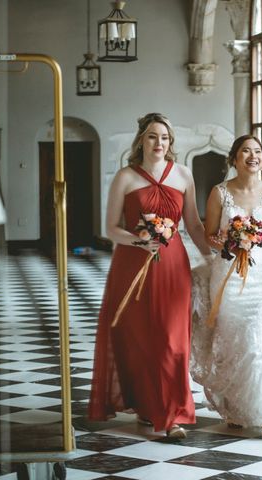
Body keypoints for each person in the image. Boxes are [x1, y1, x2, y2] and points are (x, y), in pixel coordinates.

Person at [88, 113, 212, 439]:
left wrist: (213, 258)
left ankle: (171, 417)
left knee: (173, 343)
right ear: (141, 140)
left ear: (171, 143)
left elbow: (195, 225)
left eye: (165, 138)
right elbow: (111, 228)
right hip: (131, 265)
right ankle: (146, 405)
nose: (160, 143)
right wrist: (140, 239)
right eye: (153, 137)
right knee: (139, 341)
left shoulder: (184, 175)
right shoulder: (125, 178)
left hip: (172, 266)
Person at [190, 135, 262, 437]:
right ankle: (235, 409)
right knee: (232, 342)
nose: (253, 156)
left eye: (258, 151)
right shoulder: (220, 193)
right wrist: (230, 241)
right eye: (246, 152)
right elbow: (209, 234)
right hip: (227, 276)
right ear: (235, 159)